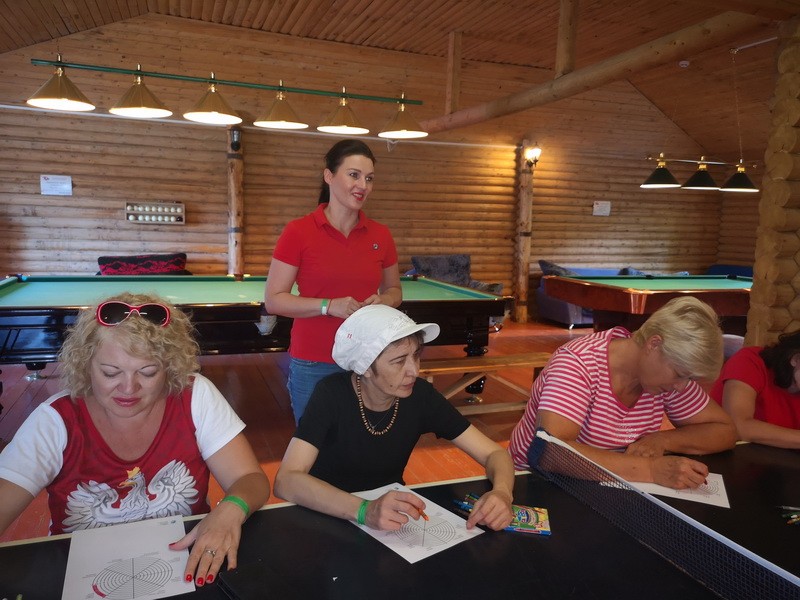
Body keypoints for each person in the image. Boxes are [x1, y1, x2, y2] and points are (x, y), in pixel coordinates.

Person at [0, 293, 270, 587]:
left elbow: (250, 479)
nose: (129, 388)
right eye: (110, 372)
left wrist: (231, 508)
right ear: (86, 365)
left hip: (187, 563)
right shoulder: (55, 421)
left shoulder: (195, 395)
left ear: (170, 367)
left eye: (148, 372)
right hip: (82, 576)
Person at [274, 305, 514, 532]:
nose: (414, 371)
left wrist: (502, 492)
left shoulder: (420, 396)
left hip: (390, 518)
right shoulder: (332, 394)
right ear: (365, 368)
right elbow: (286, 480)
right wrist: (364, 510)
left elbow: (494, 453)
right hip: (327, 514)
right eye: (399, 361)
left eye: (416, 355)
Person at [509, 296, 737, 490]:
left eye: (689, 378)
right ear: (654, 344)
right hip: (532, 484)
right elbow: (551, 451)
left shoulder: (666, 379)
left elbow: (725, 431)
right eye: (680, 374)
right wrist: (651, 470)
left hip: (605, 485)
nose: (681, 386)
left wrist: (663, 439)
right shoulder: (578, 364)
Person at [265, 139, 402, 424]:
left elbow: (394, 290)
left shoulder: (381, 235)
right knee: (315, 443)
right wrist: (328, 306)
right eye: (354, 175)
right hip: (313, 361)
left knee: (363, 439)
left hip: (367, 360)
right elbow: (274, 300)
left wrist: (384, 301)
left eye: (369, 178)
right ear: (329, 176)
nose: (363, 185)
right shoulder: (298, 232)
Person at [709, 330, 800, 449]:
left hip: (774, 457)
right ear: (795, 359)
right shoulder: (751, 360)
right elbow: (737, 426)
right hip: (722, 451)